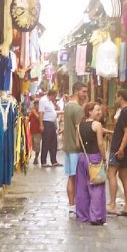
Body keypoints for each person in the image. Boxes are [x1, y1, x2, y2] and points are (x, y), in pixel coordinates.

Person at [75, 102, 107, 225]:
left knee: (81, 187)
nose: (99, 112)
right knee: (97, 187)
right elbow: (100, 143)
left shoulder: (79, 126)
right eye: (97, 110)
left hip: (82, 157)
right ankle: (96, 216)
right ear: (89, 111)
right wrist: (104, 158)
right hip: (94, 158)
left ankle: (83, 215)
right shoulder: (97, 125)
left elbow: (78, 145)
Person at [107, 90, 127, 216]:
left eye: (117, 97)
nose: (115, 100)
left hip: (119, 149)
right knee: (123, 175)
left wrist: (121, 148)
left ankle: (112, 204)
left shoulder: (125, 112)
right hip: (125, 149)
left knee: (111, 173)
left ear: (120, 97)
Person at [63, 82, 88, 215]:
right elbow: (79, 130)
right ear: (77, 91)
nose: (85, 94)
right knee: (76, 178)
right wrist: (81, 147)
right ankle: (75, 205)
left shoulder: (67, 106)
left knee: (70, 177)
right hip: (75, 148)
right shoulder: (78, 109)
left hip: (67, 146)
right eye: (83, 91)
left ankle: (71, 204)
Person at [38, 89, 60, 167]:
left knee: (54, 142)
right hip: (46, 123)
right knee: (46, 142)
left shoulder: (50, 101)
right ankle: (43, 161)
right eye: (55, 96)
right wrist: (41, 125)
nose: (55, 98)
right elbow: (41, 113)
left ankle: (54, 161)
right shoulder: (43, 100)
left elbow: (52, 112)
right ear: (51, 95)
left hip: (51, 123)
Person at [28, 99, 42, 166]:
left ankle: (36, 158)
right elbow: (29, 119)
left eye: (37, 104)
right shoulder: (32, 112)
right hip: (31, 131)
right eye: (35, 104)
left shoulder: (40, 112)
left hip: (37, 131)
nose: (36, 106)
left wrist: (34, 112)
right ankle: (29, 157)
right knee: (31, 145)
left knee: (37, 145)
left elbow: (39, 119)